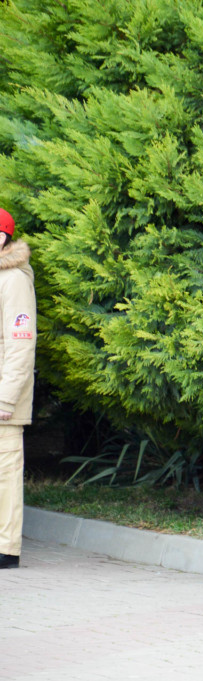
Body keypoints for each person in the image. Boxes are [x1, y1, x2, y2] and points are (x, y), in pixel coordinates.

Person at [0, 208, 37, 570]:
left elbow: (20, 343)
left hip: (4, 400)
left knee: (6, 472)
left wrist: (6, 397)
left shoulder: (12, 280)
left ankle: (6, 549)